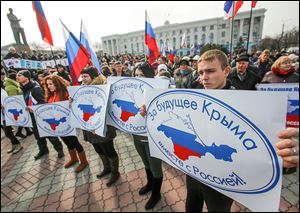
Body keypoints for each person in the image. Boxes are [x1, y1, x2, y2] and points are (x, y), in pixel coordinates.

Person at [79, 67, 119, 186]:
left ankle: (115, 172)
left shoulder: (103, 87)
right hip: (89, 126)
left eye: (85, 76)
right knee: (98, 148)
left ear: (93, 77)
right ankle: (107, 168)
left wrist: (98, 125)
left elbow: (106, 108)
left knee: (108, 149)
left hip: (103, 126)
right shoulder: (82, 88)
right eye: (82, 76)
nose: (83, 79)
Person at [134, 62, 164, 210]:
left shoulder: (159, 91)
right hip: (137, 136)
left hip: (152, 138)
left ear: (150, 76)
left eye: (142, 75)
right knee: (146, 163)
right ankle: (150, 184)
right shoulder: (132, 91)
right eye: (136, 75)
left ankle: (156, 194)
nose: (139, 78)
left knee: (155, 167)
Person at [43, 75, 88, 172]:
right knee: (67, 142)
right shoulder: (50, 95)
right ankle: (74, 158)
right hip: (59, 125)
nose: (49, 86)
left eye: (50, 84)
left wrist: (71, 101)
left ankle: (84, 161)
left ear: (57, 83)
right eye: (47, 85)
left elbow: (75, 104)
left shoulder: (66, 93)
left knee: (74, 142)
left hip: (68, 123)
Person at [16, 70, 64, 160]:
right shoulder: (23, 89)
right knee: (38, 135)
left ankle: (59, 149)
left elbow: (43, 103)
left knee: (49, 134)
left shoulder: (35, 88)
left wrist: (34, 109)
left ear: (26, 77)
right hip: (32, 117)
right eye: (16, 75)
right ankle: (43, 150)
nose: (17, 77)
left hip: (42, 116)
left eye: (19, 75)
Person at [1, 88, 23, 154]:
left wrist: (2, 106)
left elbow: (8, 105)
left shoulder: (2, 94)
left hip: (5, 117)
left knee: (8, 133)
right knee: (8, 133)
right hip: (2, 118)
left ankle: (18, 144)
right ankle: (14, 145)